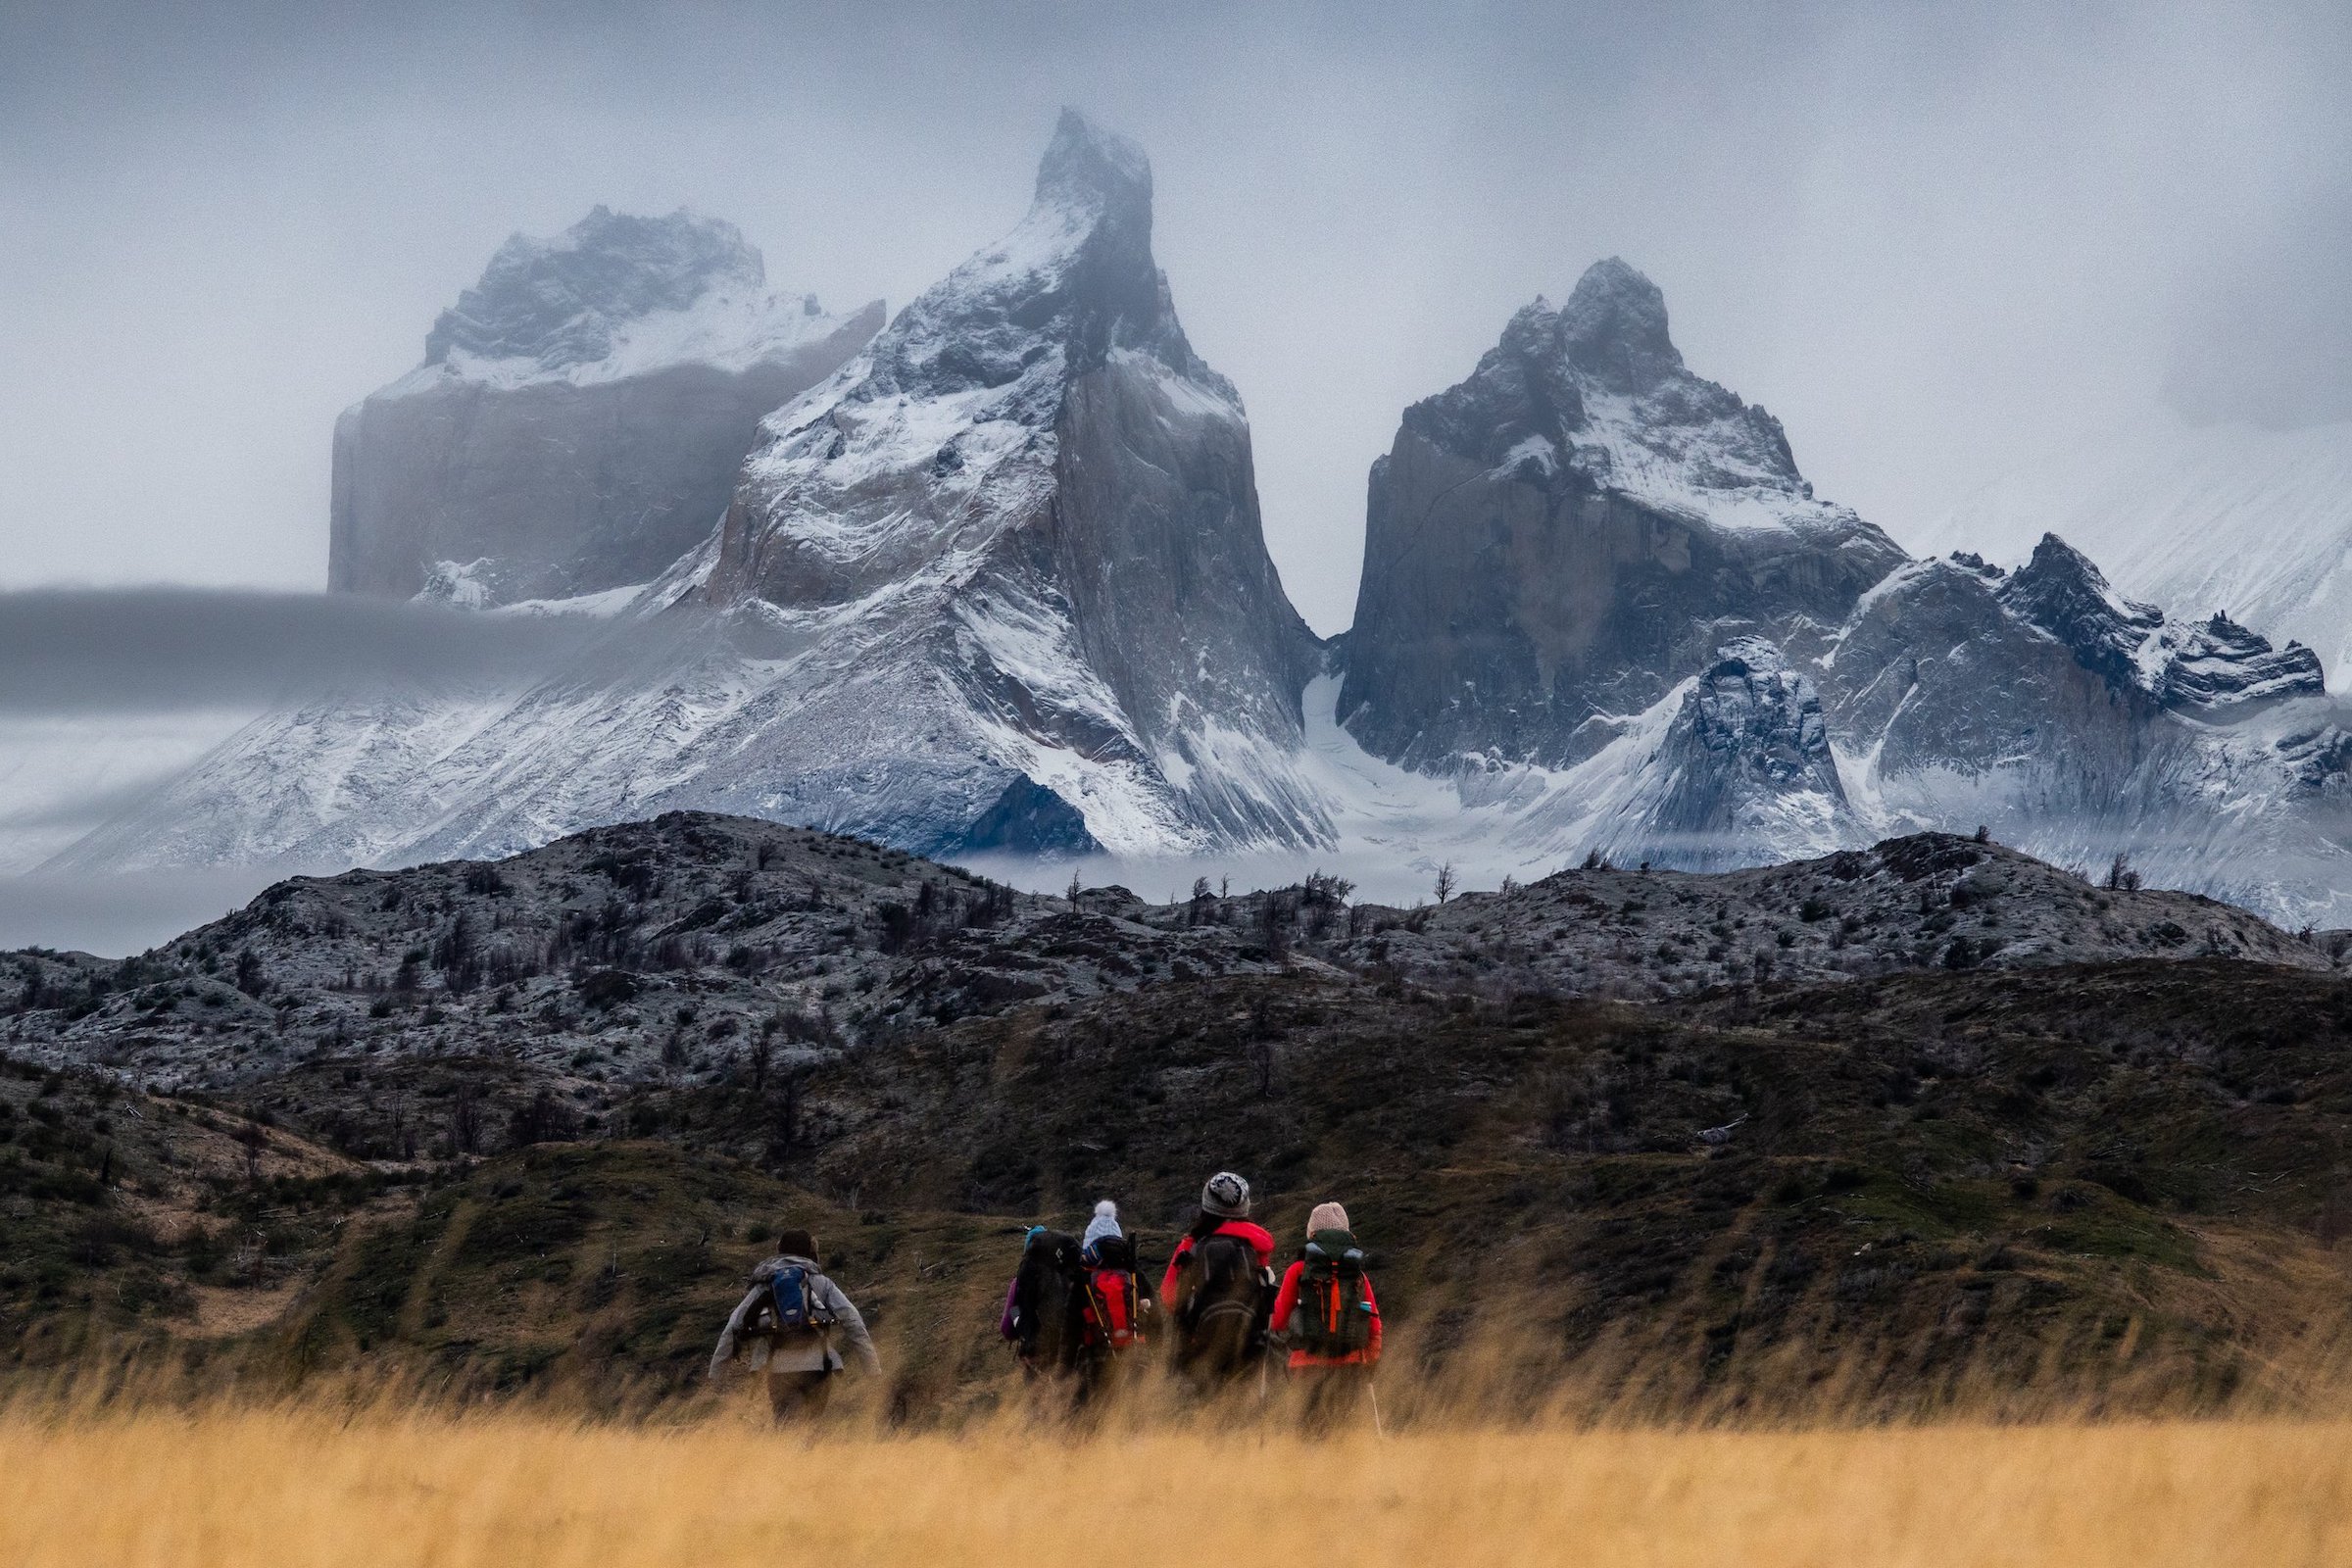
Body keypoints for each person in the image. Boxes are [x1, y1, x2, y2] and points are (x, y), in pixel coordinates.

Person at [708, 1227, 880, 1422]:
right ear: (810, 1252)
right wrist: (872, 1369)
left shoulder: (766, 1283)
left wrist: (716, 1374)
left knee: (787, 1428)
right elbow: (853, 1321)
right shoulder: (821, 1283)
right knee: (811, 1429)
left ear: (780, 1250)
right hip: (818, 1367)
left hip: (779, 1369)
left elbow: (733, 1327)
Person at [1270, 1200, 1382, 1431]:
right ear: (1347, 1233)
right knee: (1344, 1434)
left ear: (1312, 1234)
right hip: (1350, 1367)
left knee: (1309, 1434)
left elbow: (1279, 1320)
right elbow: (1374, 1324)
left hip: (1306, 1368)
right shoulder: (1357, 1274)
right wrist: (1369, 1359)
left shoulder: (1298, 1270)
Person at [1161, 1171, 1278, 1386]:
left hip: (1201, 1342)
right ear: (1244, 1206)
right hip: (1250, 1340)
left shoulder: (1192, 1244)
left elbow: (1170, 1296)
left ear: (1207, 1205)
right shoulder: (1257, 1245)